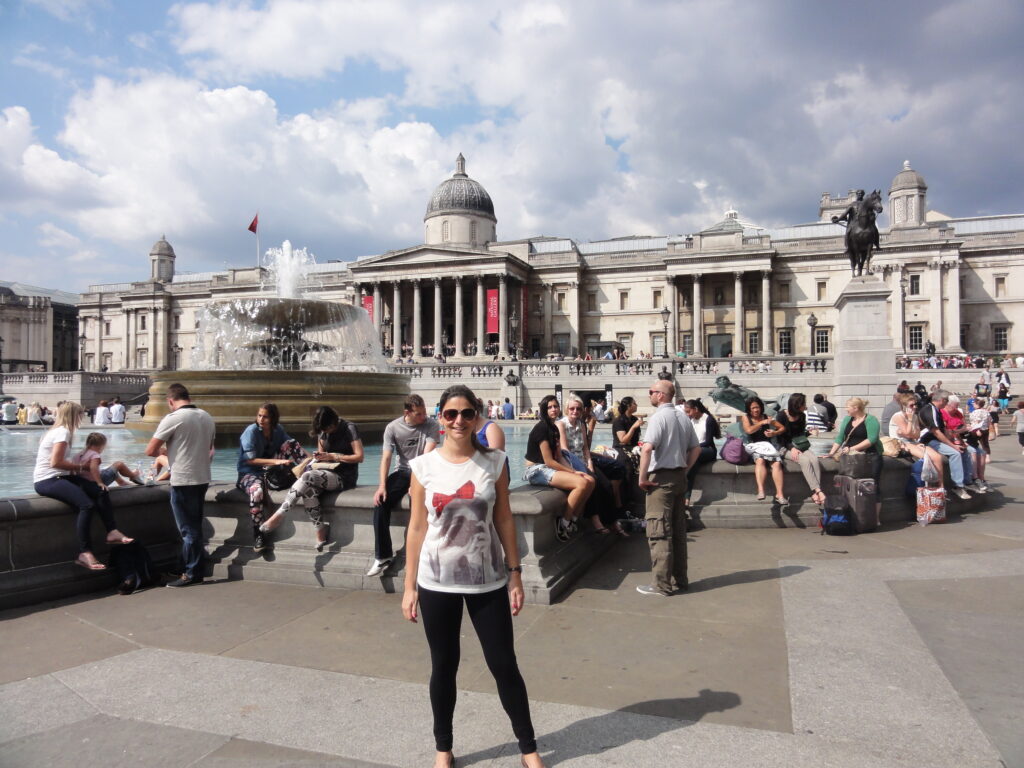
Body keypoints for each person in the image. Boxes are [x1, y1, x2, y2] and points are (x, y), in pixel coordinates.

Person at [402, 384, 544, 768]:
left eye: (466, 413)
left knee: (503, 664)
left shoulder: (494, 462)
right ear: (441, 418)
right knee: (443, 667)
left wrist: (516, 574)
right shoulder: (423, 466)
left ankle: (528, 747)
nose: (459, 420)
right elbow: (416, 528)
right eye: (450, 414)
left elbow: (504, 519)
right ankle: (443, 747)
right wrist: (408, 585)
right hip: (436, 581)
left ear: (476, 415)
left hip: (489, 580)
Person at [33, 402, 133, 571]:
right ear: (74, 415)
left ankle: (112, 532)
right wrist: (82, 468)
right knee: (86, 504)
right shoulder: (62, 432)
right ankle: (85, 552)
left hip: (61, 477)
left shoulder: (59, 431)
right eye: (80, 414)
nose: (81, 418)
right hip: (47, 480)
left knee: (100, 490)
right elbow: (55, 462)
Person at [260, 406, 363, 550]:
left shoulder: (349, 428)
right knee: (308, 490)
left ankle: (280, 513)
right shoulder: (322, 431)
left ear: (333, 422)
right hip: (325, 473)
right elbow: (322, 456)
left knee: (308, 477)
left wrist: (334, 456)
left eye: (327, 430)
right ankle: (320, 529)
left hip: (344, 476)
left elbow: (360, 456)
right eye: (323, 431)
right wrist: (317, 459)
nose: (325, 433)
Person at [145, 382, 217, 587]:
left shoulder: (173, 418)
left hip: (183, 479)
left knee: (188, 529)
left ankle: (193, 573)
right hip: (202, 477)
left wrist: (168, 453)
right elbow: (209, 448)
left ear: (170, 401)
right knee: (194, 525)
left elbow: (150, 450)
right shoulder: (207, 416)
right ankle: (183, 566)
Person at [637, 379, 700, 597]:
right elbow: (696, 449)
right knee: (678, 532)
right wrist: (685, 470)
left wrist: (642, 477)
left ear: (661, 395)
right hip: (679, 478)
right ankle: (680, 579)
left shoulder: (658, 418)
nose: (650, 395)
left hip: (660, 481)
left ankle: (661, 585)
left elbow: (646, 450)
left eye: (651, 391)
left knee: (659, 532)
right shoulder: (683, 416)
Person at [370, 394, 440, 577]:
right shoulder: (392, 428)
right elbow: (386, 457)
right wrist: (382, 486)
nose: (424, 417)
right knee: (380, 502)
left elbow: (427, 454)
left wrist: (416, 482)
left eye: (424, 412)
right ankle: (383, 555)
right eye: (419, 414)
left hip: (425, 472)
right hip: (402, 472)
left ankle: (421, 551)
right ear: (407, 412)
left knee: (418, 503)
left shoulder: (431, 424)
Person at [236, 403, 308, 554]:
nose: (261, 419)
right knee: (256, 492)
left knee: (291, 443)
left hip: (270, 471)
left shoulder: (278, 430)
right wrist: (278, 462)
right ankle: (258, 534)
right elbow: (250, 460)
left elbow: (292, 445)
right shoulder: (251, 432)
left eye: (265, 416)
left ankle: (309, 470)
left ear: (273, 418)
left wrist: (310, 458)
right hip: (250, 473)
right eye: (259, 415)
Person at [524, 394, 594, 541]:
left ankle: (573, 519)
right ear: (544, 409)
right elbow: (549, 461)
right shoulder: (542, 428)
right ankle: (563, 522)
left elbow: (560, 457)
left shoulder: (554, 428)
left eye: (555, 406)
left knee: (590, 480)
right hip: (536, 470)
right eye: (549, 407)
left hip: (548, 468)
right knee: (581, 483)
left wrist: (576, 471)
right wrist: (573, 473)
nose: (553, 409)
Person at [557, 393, 627, 536]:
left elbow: (585, 449)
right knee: (593, 482)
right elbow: (564, 451)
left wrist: (589, 464)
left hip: (583, 461)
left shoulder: (581, 424)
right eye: (572, 409)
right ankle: (596, 521)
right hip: (571, 464)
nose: (575, 411)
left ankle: (612, 520)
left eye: (578, 409)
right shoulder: (561, 424)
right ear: (566, 410)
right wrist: (580, 470)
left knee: (606, 484)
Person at [826, 397, 884, 524]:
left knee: (872, 486)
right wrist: (831, 453)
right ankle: (857, 515)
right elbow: (840, 437)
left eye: (848, 407)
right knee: (850, 486)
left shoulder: (871, 420)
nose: (846, 409)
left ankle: (875, 518)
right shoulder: (847, 419)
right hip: (852, 458)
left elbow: (871, 440)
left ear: (856, 408)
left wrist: (852, 448)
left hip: (870, 457)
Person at [914, 390, 972, 500]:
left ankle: (968, 482)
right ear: (942, 400)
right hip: (928, 441)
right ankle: (958, 486)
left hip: (936, 439)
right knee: (955, 453)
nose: (947, 404)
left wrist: (957, 442)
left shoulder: (937, 410)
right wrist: (953, 446)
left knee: (964, 451)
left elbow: (943, 430)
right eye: (946, 401)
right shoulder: (929, 410)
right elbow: (936, 432)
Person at [775, 393, 826, 507]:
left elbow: (799, 435)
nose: (805, 406)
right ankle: (818, 491)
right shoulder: (781, 416)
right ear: (797, 405)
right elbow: (780, 438)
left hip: (798, 446)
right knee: (804, 460)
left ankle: (815, 492)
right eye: (804, 404)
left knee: (814, 459)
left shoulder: (801, 416)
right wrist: (791, 448)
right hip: (783, 447)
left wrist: (809, 432)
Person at [740, 397, 788, 505]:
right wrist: (762, 423)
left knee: (776, 463)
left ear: (761, 407)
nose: (756, 410)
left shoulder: (767, 417)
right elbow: (748, 430)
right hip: (753, 446)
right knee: (760, 460)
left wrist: (774, 433)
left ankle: (779, 495)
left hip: (768, 447)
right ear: (749, 409)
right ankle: (761, 491)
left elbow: (782, 428)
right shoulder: (746, 417)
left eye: (757, 407)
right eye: (753, 408)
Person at [889, 393, 945, 470]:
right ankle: (925, 480)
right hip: (901, 443)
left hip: (912, 442)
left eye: (915, 404)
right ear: (904, 406)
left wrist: (908, 433)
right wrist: (909, 420)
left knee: (937, 457)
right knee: (925, 457)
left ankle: (940, 482)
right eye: (911, 405)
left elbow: (917, 435)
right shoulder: (898, 416)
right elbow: (908, 433)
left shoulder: (915, 416)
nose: (915, 407)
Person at [681, 398, 719, 510]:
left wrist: (693, 448)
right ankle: (686, 499)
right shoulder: (690, 420)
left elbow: (708, 441)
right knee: (693, 464)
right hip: (695, 452)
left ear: (696, 409)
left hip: (708, 450)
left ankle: (685, 497)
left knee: (692, 458)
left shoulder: (708, 420)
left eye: (688, 411)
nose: (687, 414)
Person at [73, 432, 146, 487]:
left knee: (109, 468)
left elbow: (73, 470)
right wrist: (100, 483)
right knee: (119, 464)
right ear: (102, 445)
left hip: (84, 481)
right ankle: (133, 476)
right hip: (95, 482)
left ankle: (122, 482)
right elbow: (93, 468)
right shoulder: (94, 455)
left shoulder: (78, 455)